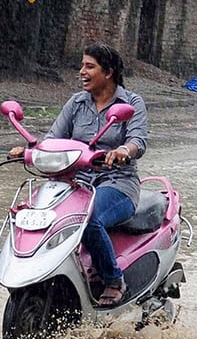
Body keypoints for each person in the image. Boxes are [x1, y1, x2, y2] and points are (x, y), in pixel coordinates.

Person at [9, 42, 148, 307]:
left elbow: (138, 141)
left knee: (89, 219)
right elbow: (53, 139)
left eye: (89, 66)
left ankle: (113, 279)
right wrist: (28, 149)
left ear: (107, 72)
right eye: (82, 66)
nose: (81, 72)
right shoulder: (76, 102)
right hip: (76, 182)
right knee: (35, 213)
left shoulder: (131, 103)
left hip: (117, 183)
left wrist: (122, 150)